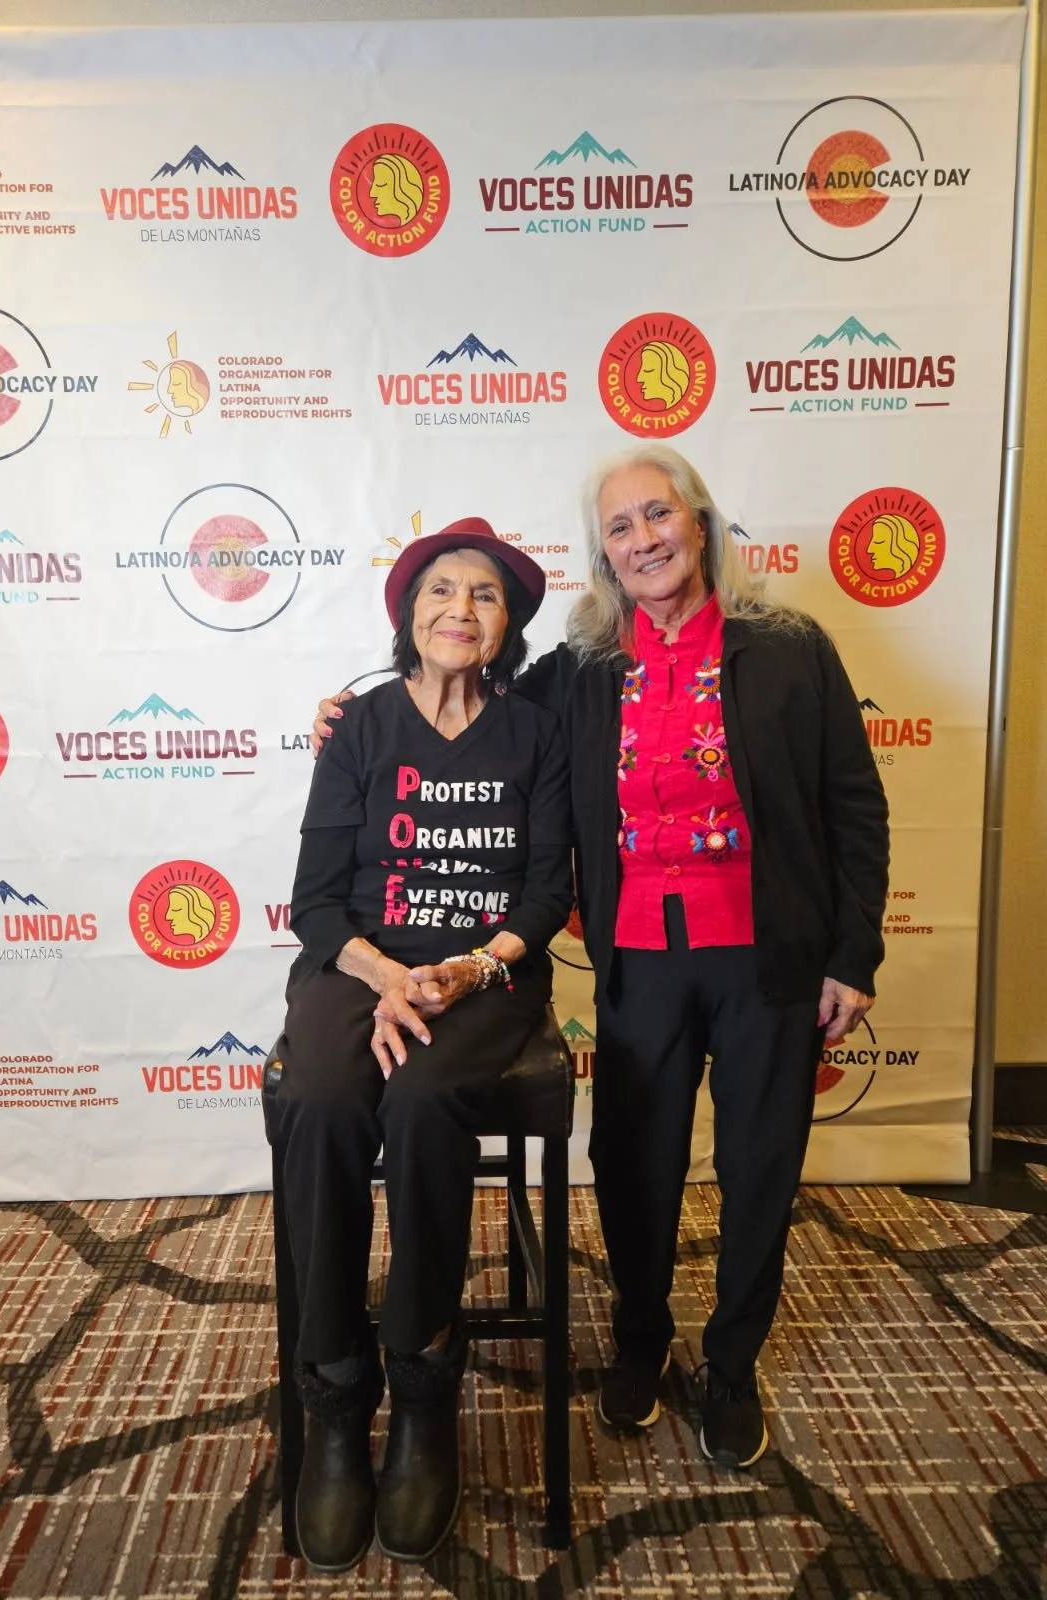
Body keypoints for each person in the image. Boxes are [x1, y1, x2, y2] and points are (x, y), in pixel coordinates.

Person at [315, 445, 888, 1474]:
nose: (643, 540)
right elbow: (464, 683)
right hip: (641, 956)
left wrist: (854, 953)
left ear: (699, 523)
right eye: (619, 528)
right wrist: (353, 714)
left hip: (773, 953)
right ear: (603, 555)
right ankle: (640, 1336)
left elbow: (854, 801)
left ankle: (732, 1364)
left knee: (760, 1164)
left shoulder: (789, 647)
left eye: (658, 515)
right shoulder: (580, 666)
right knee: (635, 1162)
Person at [277, 519, 571, 1571]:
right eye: (441, 589)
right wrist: (387, 976)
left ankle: (422, 1373)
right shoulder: (359, 727)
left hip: (482, 973)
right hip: (360, 966)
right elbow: (316, 902)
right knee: (320, 1097)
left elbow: (546, 893)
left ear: (507, 623)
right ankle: (333, 1386)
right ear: (409, 612)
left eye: (484, 594)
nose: (461, 608)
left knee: (422, 1098)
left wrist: (470, 968)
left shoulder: (536, 733)